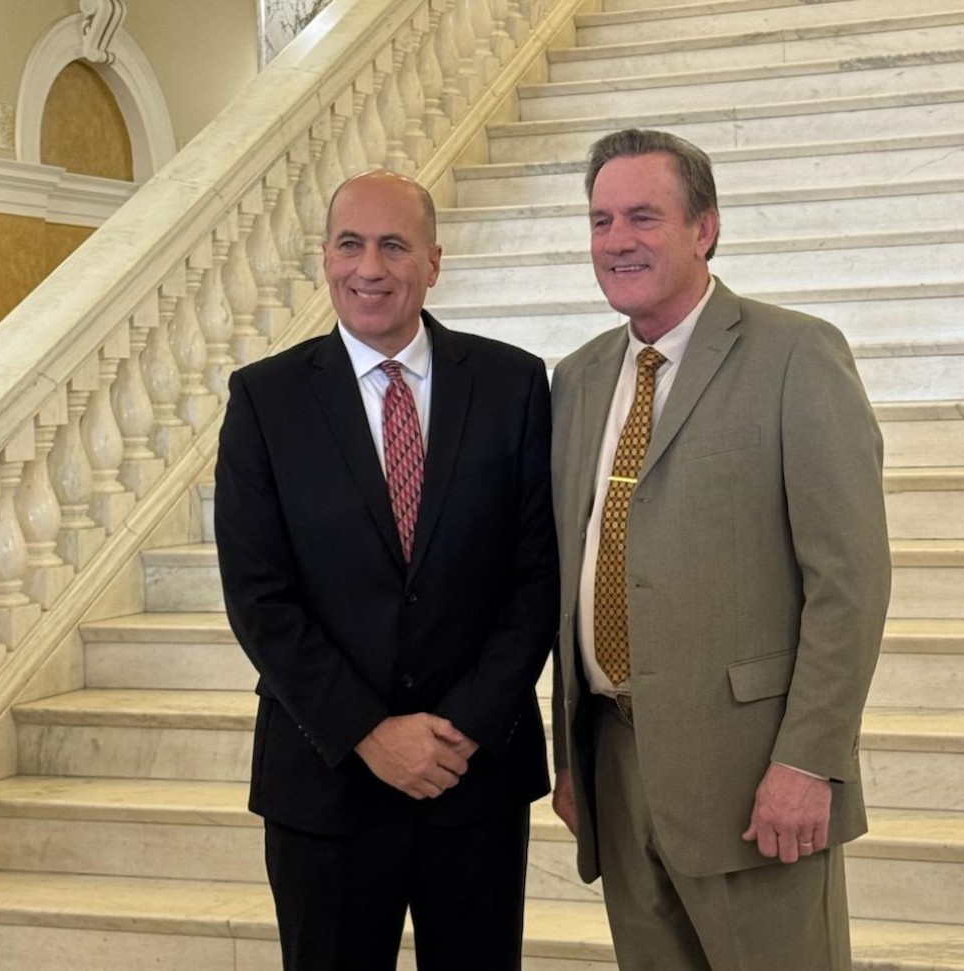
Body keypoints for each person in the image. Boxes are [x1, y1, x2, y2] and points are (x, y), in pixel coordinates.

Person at [550, 129, 891, 970]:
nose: (616, 240)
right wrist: (571, 758)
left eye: (641, 216)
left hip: (754, 781)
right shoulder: (577, 378)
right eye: (599, 220)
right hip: (615, 768)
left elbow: (848, 583)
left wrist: (808, 760)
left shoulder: (794, 356)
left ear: (703, 229)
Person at [215, 169, 559, 971]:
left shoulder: (512, 385)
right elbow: (260, 598)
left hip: (472, 777)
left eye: (393, 245)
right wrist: (369, 733)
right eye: (349, 244)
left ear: (433, 261)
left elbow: (537, 577)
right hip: (325, 780)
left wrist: (460, 728)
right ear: (325, 257)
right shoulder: (264, 400)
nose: (368, 267)